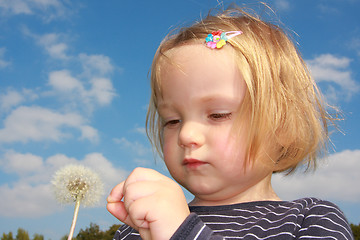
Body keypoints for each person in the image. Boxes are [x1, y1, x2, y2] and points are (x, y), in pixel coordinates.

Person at [107, 6, 354, 240]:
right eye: (172, 120)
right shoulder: (139, 226)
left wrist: (182, 232)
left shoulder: (311, 220)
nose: (186, 134)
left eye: (218, 114)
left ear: (283, 127)